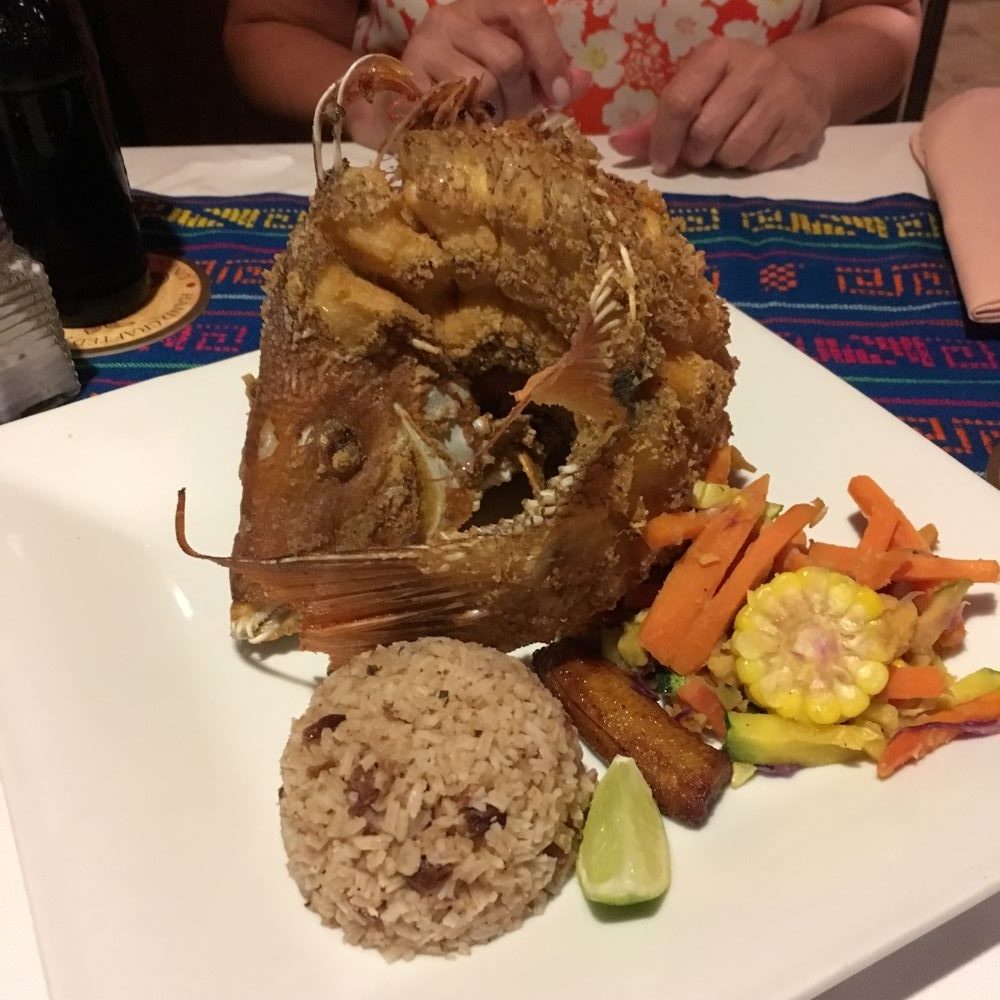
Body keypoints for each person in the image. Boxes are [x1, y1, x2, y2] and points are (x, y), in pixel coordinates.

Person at [224, 0, 921, 172]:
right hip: (424, 185)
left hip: (744, 186)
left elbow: (884, 18)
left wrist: (812, 74)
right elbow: (267, 24)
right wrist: (365, 94)